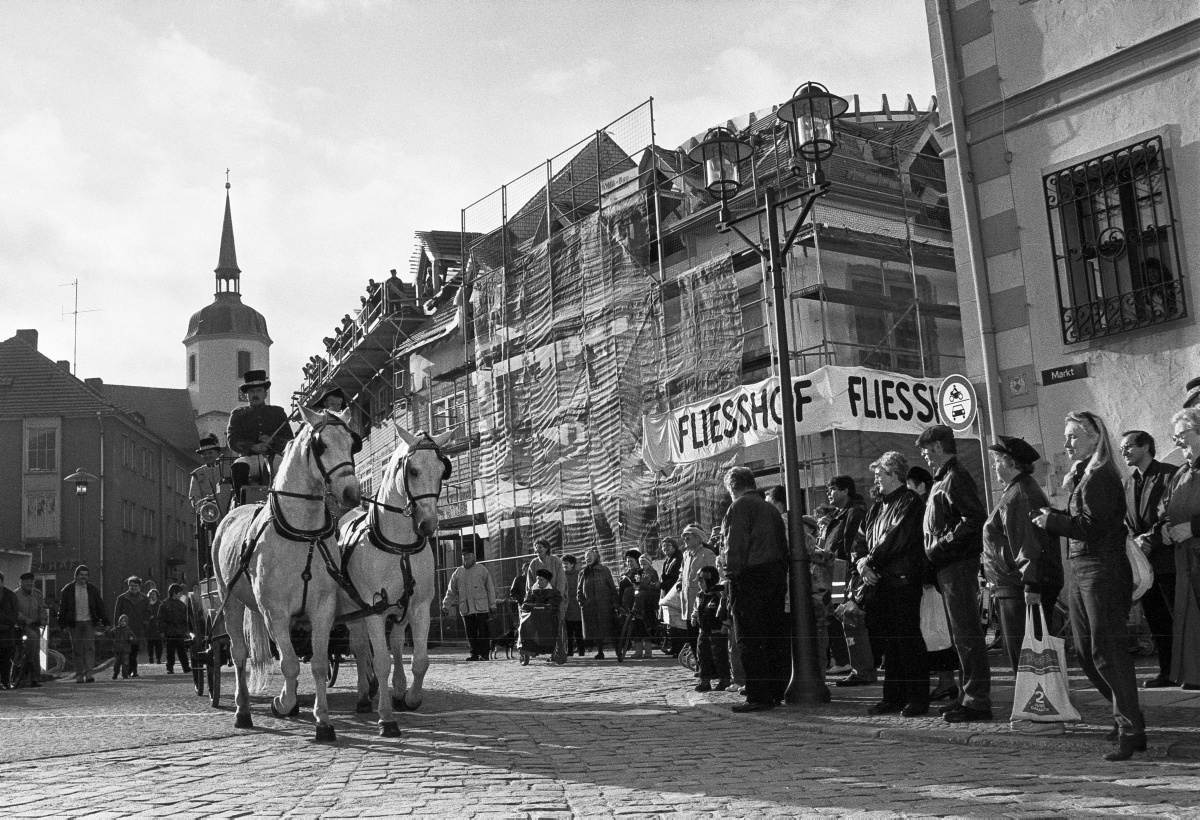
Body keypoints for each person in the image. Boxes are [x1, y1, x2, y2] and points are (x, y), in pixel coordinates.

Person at [1033, 410, 1145, 761]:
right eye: (1066, 437)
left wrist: (1053, 520)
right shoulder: (1084, 475)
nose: (1066, 443)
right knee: (1084, 652)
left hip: (1102, 569)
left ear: (1094, 437)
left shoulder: (1101, 476)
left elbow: (1091, 527)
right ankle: (1127, 719)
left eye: (1073, 436)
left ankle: (1131, 729)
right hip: (1083, 569)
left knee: (1106, 652)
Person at [916, 425, 992, 724]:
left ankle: (977, 700)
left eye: (925, 451)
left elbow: (974, 518)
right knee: (961, 637)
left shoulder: (955, 477)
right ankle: (967, 696)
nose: (925, 457)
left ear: (937, 447)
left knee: (967, 635)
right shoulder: (943, 479)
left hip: (958, 564)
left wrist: (941, 542)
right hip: (949, 565)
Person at [854, 452, 929, 718]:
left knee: (907, 640)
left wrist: (868, 563)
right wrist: (862, 562)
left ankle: (917, 698)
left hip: (901, 580)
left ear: (894, 474)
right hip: (882, 581)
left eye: (879, 474)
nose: (875, 479)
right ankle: (894, 697)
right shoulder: (878, 506)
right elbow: (860, 539)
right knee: (890, 644)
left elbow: (895, 537)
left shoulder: (910, 502)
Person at [982, 436, 1062, 674]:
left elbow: (1028, 543)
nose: (994, 466)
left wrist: (1031, 585)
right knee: (1027, 655)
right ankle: (1035, 703)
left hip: (1019, 586)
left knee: (1028, 656)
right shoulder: (1017, 491)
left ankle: (1037, 704)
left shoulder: (1020, 494)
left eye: (997, 461)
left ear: (1010, 463)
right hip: (1014, 584)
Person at [722, 466, 789, 713]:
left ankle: (758, 694)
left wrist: (731, 579)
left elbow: (735, 546)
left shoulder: (739, 507)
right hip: (774, 576)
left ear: (733, 487)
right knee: (772, 636)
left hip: (749, 577)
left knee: (750, 638)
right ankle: (773, 691)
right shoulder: (770, 509)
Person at [1120, 430, 1179, 688]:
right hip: (1143, 565)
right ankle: (1166, 672)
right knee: (1157, 621)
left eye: (1128, 446)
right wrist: (1134, 542)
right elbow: (1125, 519)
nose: (1123, 452)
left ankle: (1189, 671)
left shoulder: (1169, 473)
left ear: (1145, 447)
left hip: (1168, 559)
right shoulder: (1128, 481)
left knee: (1177, 618)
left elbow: (1172, 512)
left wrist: (1149, 538)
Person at [906, 465, 959, 704]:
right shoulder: (922, 505)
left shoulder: (924, 506)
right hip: (931, 579)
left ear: (920, 485)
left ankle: (947, 682)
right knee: (937, 633)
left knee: (938, 633)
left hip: (932, 581)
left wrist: (927, 577)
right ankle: (946, 682)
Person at [1162, 408, 1200, 689]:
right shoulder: (1180, 474)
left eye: (1182, 436)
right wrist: (1163, 529)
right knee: (1189, 615)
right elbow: (1163, 509)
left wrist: (1194, 528)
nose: (1176, 443)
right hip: (1185, 559)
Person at [825, 476, 873, 686]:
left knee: (850, 616)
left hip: (844, 573)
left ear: (845, 491)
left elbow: (852, 548)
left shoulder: (854, 512)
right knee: (839, 615)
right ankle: (853, 664)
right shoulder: (840, 514)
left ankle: (860, 668)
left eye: (833, 489)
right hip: (836, 573)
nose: (829, 494)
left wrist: (852, 578)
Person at [226, 370, 294, 502]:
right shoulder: (237, 414)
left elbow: (290, 441)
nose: (255, 394)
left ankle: (287, 502)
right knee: (238, 466)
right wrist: (253, 447)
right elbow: (232, 440)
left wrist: (273, 441)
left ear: (265, 393)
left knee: (287, 467)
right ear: (246, 395)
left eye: (258, 391)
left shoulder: (278, 412)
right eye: (251, 392)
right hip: (249, 459)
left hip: (273, 458)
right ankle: (241, 504)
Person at [442, 549, 497, 662]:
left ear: (473, 556)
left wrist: (492, 605)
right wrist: (445, 605)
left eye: (468, 555)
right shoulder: (458, 573)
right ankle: (474, 654)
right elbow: (451, 591)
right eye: (464, 556)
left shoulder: (482, 569)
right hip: (466, 608)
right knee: (470, 633)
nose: (466, 557)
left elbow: (490, 588)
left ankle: (484, 654)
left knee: (483, 632)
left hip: (481, 607)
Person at [58, 565, 107, 683]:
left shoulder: (93, 589)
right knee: (77, 649)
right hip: (74, 624)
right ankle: (79, 674)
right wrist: (62, 624)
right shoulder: (68, 589)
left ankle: (89, 674)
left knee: (90, 648)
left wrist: (105, 621)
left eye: (86, 575)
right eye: (81, 575)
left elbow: (100, 606)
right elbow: (63, 608)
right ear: (76, 576)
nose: (84, 577)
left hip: (89, 623)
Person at [678, 524, 717, 657]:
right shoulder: (686, 555)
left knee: (702, 635)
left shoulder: (707, 554)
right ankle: (698, 663)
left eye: (688, 538)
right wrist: (679, 583)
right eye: (684, 538)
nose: (685, 541)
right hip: (687, 600)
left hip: (701, 600)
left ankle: (707, 665)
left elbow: (713, 576)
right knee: (691, 634)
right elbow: (681, 573)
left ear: (698, 539)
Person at [691, 565, 732, 692]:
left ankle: (724, 679)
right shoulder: (700, 595)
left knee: (719, 657)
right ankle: (704, 681)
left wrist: (726, 624)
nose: (700, 584)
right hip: (703, 631)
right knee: (703, 656)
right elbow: (696, 608)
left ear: (710, 580)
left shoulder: (719, 594)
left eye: (702, 581)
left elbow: (725, 610)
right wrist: (694, 616)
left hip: (718, 632)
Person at [577, 548, 618, 659]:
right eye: (586, 557)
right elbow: (579, 590)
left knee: (610, 628)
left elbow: (612, 586)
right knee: (595, 630)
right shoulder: (583, 573)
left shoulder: (604, 570)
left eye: (591, 556)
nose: (588, 559)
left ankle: (618, 651)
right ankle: (600, 651)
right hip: (590, 606)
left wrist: (615, 601)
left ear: (596, 558)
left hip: (605, 604)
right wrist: (582, 603)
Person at [112, 576, 150, 678]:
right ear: (128, 586)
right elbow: (117, 614)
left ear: (139, 586)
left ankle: (133, 670)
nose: (133, 587)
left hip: (138, 629)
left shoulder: (145, 599)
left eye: (135, 585)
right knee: (125, 651)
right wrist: (116, 628)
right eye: (131, 585)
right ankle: (126, 670)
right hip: (124, 630)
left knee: (134, 650)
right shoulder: (121, 598)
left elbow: (148, 612)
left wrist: (144, 623)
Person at [15, 572, 48, 687]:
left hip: (34, 625)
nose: (30, 583)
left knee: (36, 652)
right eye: (27, 581)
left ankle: (35, 678)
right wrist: (25, 619)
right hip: (20, 627)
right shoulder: (16, 595)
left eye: (31, 581)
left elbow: (42, 607)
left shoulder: (37, 594)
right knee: (32, 639)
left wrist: (43, 619)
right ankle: (26, 665)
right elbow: (14, 611)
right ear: (21, 583)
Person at [160, 584, 192, 674]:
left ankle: (186, 667)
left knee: (182, 651)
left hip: (180, 631)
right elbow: (160, 619)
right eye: (179, 593)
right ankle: (170, 668)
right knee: (170, 652)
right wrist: (161, 632)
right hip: (169, 631)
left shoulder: (182, 605)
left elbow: (186, 620)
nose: (181, 595)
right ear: (174, 593)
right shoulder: (164, 604)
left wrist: (186, 631)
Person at [188, 434, 224, 514]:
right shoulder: (197, 474)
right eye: (204, 454)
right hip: (208, 514)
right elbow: (194, 497)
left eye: (210, 453)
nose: (207, 456)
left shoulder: (228, 469)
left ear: (217, 453)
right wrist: (204, 509)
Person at [562, 555, 585, 657]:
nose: (564, 566)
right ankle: (569, 651)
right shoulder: (561, 575)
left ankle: (581, 651)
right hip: (566, 606)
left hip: (577, 606)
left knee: (579, 631)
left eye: (566, 563)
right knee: (568, 632)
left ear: (572, 564)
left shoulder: (579, 574)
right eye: (563, 564)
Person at [0, 573, 18, 689]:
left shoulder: (10, 595)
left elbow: (14, 614)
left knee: (6, 658)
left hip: (6, 632)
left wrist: (7, 625)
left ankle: (6, 681)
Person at [110, 615, 134, 679]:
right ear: (119, 622)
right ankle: (115, 673)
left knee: (125, 663)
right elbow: (110, 634)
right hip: (118, 650)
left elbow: (133, 638)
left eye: (124, 621)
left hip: (126, 650)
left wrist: (131, 639)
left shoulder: (128, 631)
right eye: (121, 621)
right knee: (117, 663)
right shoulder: (116, 630)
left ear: (127, 622)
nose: (123, 622)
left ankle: (125, 674)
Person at [145, 588, 163, 665]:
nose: (152, 596)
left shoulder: (160, 603)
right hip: (149, 627)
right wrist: (148, 617)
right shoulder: (147, 604)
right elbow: (144, 613)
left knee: (159, 644)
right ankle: (151, 658)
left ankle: (158, 658)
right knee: (150, 644)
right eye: (151, 594)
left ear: (157, 595)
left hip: (158, 626)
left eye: (154, 594)